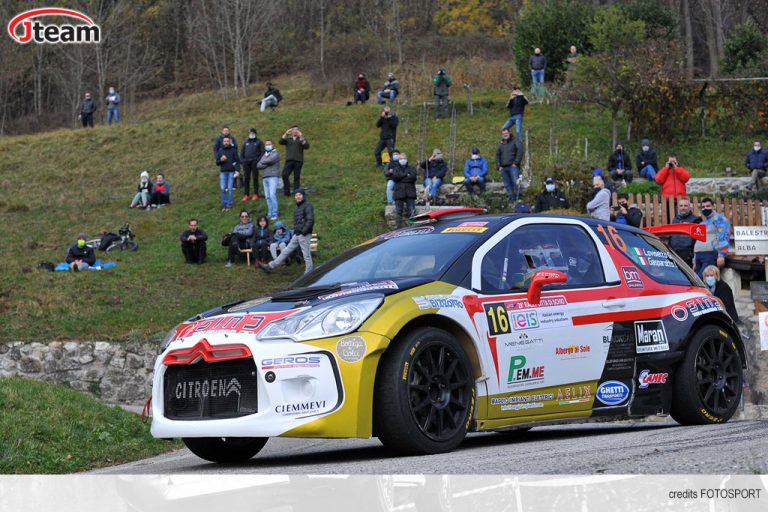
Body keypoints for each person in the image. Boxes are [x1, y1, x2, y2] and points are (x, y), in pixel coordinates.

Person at [258, 189, 315, 274]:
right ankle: (270, 266)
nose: (298, 196)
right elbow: (298, 222)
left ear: (303, 196)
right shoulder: (297, 208)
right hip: (297, 234)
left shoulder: (308, 206)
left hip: (304, 234)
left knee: (306, 254)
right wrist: (296, 230)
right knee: (285, 251)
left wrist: (303, 231)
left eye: (300, 195)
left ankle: (309, 272)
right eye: (296, 195)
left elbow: (310, 220)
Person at [693, 197, 730, 278]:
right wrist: (694, 261)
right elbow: (698, 240)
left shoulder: (720, 219)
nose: (705, 208)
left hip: (709, 255)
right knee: (696, 281)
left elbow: (724, 237)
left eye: (708, 206)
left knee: (703, 279)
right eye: (703, 207)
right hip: (698, 256)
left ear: (713, 206)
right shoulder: (702, 223)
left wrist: (721, 255)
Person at [670, 198, 701, 267]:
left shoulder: (695, 220)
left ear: (689, 207)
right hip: (674, 252)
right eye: (681, 206)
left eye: (685, 206)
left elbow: (698, 239)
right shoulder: (675, 220)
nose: (683, 208)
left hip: (687, 253)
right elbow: (671, 236)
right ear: (678, 207)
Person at [279, 126, 310, 196]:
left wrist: (301, 136)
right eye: (293, 130)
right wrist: (286, 133)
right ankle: (287, 192)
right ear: (291, 131)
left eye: (297, 130)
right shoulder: (288, 139)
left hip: (298, 161)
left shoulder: (301, 139)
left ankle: (296, 192)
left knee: (296, 177)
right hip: (289, 160)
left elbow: (307, 146)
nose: (295, 131)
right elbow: (280, 141)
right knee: (284, 175)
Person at [390, 152, 417, 228]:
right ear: (399, 160)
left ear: (407, 159)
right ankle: (398, 228)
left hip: (410, 192)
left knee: (412, 211)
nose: (403, 160)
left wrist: (401, 178)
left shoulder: (412, 168)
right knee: (398, 212)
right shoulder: (395, 169)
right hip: (399, 193)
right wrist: (406, 175)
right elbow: (395, 177)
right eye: (401, 159)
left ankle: (413, 227)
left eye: (404, 158)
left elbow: (413, 178)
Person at [215, 136, 240, 211]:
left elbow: (237, 161)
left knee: (230, 188)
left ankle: (229, 204)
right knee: (222, 188)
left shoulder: (233, 150)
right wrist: (221, 160)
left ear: (230, 142)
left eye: (227, 141)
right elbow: (217, 163)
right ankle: (224, 204)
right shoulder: (220, 151)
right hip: (223, 172)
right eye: (224, 141)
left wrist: (237, 170)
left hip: (231, 172)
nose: (226, 142)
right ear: (223, 142)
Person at [258, 139, 281, 220]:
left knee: (272, 195)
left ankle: (275, 214)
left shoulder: (275, 153)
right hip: (265, 177)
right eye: (266, 144)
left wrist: (263, 162)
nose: (268, 145)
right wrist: (265, 163)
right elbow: (258, 165)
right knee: (267, 196)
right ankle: (270, 213)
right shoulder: (265, 154)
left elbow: (271, 160)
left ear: (273, 145)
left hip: (273, 176)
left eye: (269, 144)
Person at [495, 129, 521, 203]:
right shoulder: (501, 144)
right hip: (503, 168)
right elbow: (497, 155)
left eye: (506, 133)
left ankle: (518, 199)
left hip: (513, 166)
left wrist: (516, 162)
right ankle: (511, 200)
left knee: (515, 182)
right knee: (507, 185)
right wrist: (498, 166)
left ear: (509, 133)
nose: (505, 135)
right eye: (503, 134)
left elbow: (520, 151)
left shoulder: (515, 141)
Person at [240, 128, 264, 201]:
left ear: (255, 134)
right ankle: (246, 194)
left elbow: (262, 152)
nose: (251, 134)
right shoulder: (245, 142)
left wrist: (257, 160)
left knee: (255, 178)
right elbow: (241, 153)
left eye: (252, 133)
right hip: (246, 163)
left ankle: (255, 194)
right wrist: (243, 161)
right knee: (246, 178)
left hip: (255, 162)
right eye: (250, 133)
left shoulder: (259, 142)